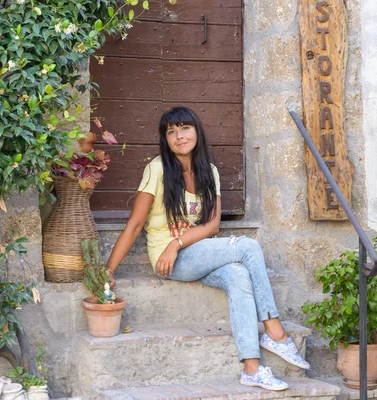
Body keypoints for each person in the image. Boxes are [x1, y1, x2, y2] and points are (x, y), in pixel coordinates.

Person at [104, 106, 310, 391]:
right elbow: (136, 223)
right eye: (171, 132)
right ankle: (275, 330)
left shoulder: (209, 172)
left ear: (197, 131)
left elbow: (213, 226)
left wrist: (177, 243)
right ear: (165, 139)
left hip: (196, 252)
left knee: (238, 274)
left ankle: (251, 367)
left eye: (184, 128)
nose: (179, 136)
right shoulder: (157, 169)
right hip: (168, 260)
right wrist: (109, 269)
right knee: (248, 247)